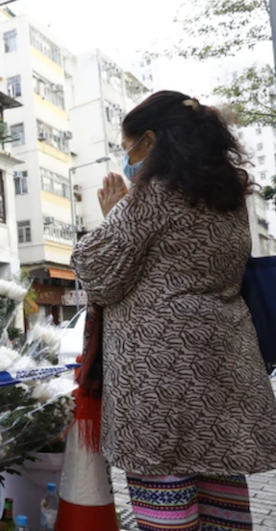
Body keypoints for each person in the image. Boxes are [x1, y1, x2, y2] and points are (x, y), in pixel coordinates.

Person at [71, 91, 276, 531]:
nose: (129, 162)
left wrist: (113, 213)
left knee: (168, 507)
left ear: (151, 140)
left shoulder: (151, 197)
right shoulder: (230, 199)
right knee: (223, 506)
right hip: (225, 369)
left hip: (159, 379)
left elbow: (100, 275)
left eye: (129, 150)